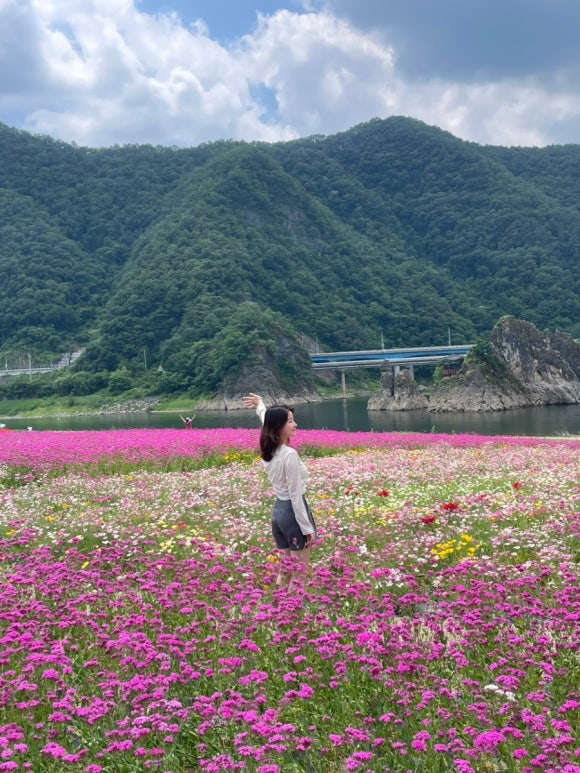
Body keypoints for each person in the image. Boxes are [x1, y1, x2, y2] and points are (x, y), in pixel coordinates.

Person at [242, 392, 316, 589]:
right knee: (300, 570)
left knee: (285, 568)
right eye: (290, 421)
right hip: (293, 513)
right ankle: (295, 611)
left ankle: (275, 605)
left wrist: (260, 405)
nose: (295, 425)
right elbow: (295, 495)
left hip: (279, 513)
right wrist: (307, 527)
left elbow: (268, 420)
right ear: (279, 427)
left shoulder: (270, 450)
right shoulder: (289, 455)